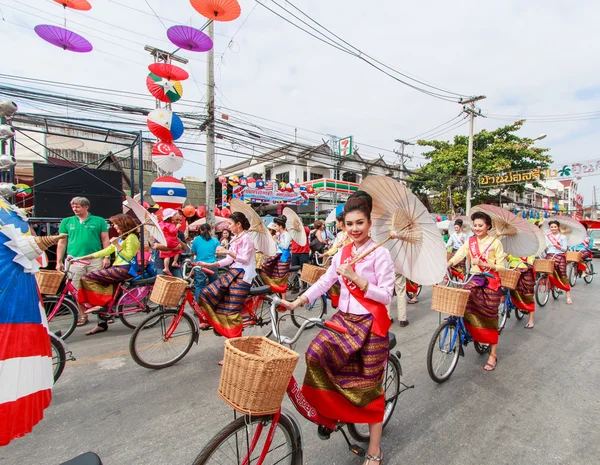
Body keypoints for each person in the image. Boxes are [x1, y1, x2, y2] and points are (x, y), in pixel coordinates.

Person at [280, 193, 395, 465]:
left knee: (368, 389)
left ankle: (375, 451)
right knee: (315, 355)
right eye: (349, 224)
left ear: (369, 223)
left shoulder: (380, 254)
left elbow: (387, 295)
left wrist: (358, 279)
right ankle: (331, 414)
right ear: (343, 225)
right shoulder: (343, 251)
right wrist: (298, 301)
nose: (354, 229)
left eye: (360, 223)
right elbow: (324, 282)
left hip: (370, 324)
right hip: (344, 320)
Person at [448, 211, 504, 372]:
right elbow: (460, 254)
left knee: (489, 317)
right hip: (475, 279)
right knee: (462, 303)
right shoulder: (470, 241)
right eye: (475, 225)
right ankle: (473, 332)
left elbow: (502, 266)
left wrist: (488, 266)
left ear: (488, 226)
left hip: (491, 281)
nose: (477, 228)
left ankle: (493, 354)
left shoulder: (495, 243)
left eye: (480, 225)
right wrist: (450, 263)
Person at [75, 214, 140, 335]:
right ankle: (101, 323)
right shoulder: (121, 237)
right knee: (106, 290)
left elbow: (128, 256)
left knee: (87, 277)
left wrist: (117, 245)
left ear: (122, 224)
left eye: (115, 224)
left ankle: (99, 303)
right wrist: (85, 257)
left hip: (124, 268)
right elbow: (106, 251)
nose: (113, 226)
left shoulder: (132, 238)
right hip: (117, 267)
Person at [196, 212, 256, 339]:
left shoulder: (247, 238)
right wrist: (209, 265)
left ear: (238, 224)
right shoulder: (235, 238)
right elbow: (228, 260)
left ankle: (236, 347)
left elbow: (245, 260)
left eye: (230, 224)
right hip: (234, 272)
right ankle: (214, 323)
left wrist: (227, 251)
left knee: (232, 312)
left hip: (244, 275)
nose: (228, 227)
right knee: (208, 293)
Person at [56, 197, 110, 327]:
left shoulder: (99, 221)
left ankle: (102, 316)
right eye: (73, 206)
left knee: (98, 287)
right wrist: (59, 261)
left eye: (78, 206)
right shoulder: (67, 222)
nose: (75, 209)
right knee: (75, 288)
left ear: (86, 207)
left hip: (94, 258)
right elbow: (62, 242)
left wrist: (106, 257)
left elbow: (105, 240)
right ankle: (83, 314)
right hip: (74, 259)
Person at [260, 215, 291, 297]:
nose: (274, 227)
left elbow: (285, 246)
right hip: (278, 256)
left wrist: (276, 240)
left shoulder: (286, 234)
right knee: (268, 269)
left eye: (276, 225)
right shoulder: (279, 234)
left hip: (284, 257)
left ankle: (284, 299)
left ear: (280, 226)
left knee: (281, 277)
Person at [545, 219, 572, 304]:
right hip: (550, 255)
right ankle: (552, 285)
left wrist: (558, 246)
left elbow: (564, 249)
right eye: (551, 227)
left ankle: (568, 295)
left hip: (560, 255)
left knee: (563, 274)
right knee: (547, 272)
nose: (553, 228)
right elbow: (545, 247)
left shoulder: (563, 237)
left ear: (558, 227)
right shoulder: (547, 237)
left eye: (555, 227)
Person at [191, 223, 220, 301]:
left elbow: (193, 252)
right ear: (210, 230)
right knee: (213, 286)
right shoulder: (215, 240)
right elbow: (219, 252)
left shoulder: (196, 239)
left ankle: (199, 308)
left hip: (200, 266)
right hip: (212, 265)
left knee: (199, 287)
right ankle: (212, 306)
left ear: (200, 230)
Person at [507, 255, 536, 328]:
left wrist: (528, 264)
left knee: (528, 294)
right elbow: (510, 258)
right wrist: (506, 256)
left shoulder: (528, 249)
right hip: (514, 269)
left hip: (526, 270)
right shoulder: (513, 248)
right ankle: (518, 305)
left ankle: (531, 320)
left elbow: (531, 257)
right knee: (512, 290)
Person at [154, 211, 185, 278]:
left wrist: (180, 242)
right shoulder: (162, 232)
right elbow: (157, 245)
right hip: (161, 264)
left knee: (179, 283)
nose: (178, 222)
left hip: (175, 264)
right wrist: (175, 248)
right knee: (162, 284)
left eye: (180, 220)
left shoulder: (180, 233)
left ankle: (174, 262)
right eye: (177, 220)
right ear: (172, 219)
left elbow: (184, 247)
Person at [159, 208, 182, 276]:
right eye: (174, 215)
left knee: (167, 255)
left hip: (165, 240)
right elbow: (173, 231)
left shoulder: (161, 224)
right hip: (171, 240)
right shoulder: (170, 225)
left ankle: (166, 267)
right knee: (178, 249)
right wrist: (177, 227)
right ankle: (175, 262)